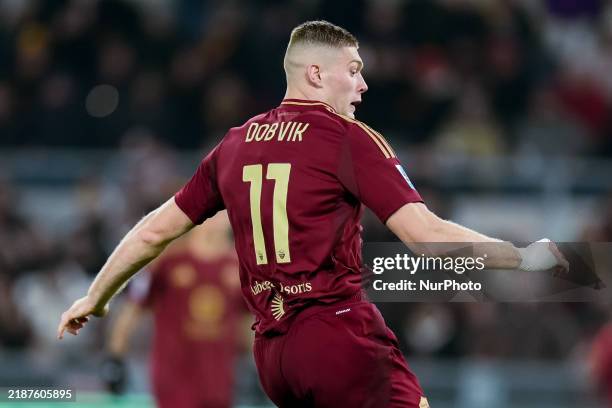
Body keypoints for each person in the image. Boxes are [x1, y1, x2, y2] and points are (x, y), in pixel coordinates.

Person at [58, 20, 568, 407]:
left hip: (272, 356)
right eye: (354, 71)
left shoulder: (233, 145)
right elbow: (426, 235)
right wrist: (522, 259)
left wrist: (95, 297)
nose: (363, 86)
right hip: (336, 337)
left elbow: (153, 232)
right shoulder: (346, 139)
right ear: (316, 74)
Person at [102, 212, 249, 408]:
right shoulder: (166, 260)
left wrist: (260, 366)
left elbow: (249, 321)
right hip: (174, 379)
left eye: (222, 210)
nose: (216, 218)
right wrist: (115, 358)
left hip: (219, 382)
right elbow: (133, 308)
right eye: (212, 209)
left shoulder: (242, 267)